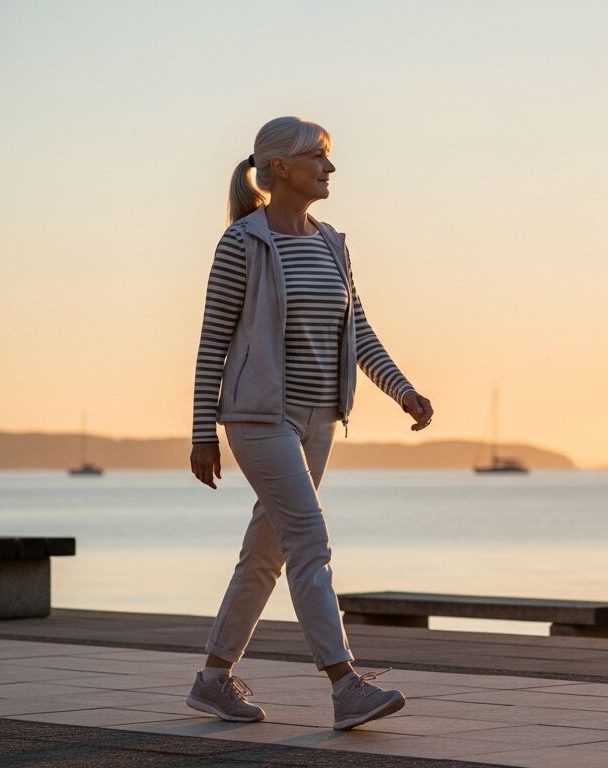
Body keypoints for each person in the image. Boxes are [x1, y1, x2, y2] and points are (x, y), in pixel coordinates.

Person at [186, 116, 434, 730]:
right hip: (258, 416)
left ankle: (213, 680)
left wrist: (403, 390)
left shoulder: (331, 243)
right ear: (280, 167)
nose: (330, 167)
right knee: (309, 541)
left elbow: (359, 331)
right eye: (318, 157)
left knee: (266, 552)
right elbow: (213, 340)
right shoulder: (242, 243)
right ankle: (345, 684)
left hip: (319, 418)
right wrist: (201, 432)